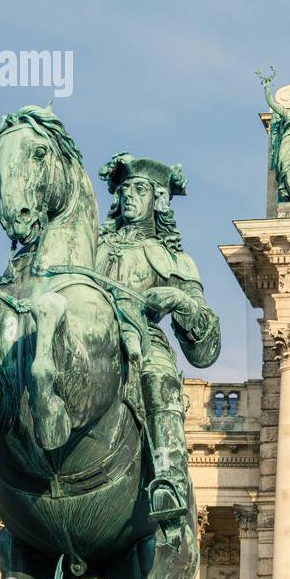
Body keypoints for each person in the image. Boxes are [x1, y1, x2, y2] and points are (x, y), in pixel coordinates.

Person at [96, 153, 221, 525]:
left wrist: (180, 301)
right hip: (85, 338)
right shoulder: (89, 250)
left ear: (158, 199)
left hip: (145, 342)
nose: (129, 196)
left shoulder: (173, 260)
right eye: (123, 190)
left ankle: (169, 476)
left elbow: (206, 347)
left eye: (138, 189)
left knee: (160, 377)